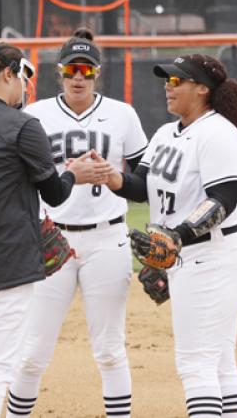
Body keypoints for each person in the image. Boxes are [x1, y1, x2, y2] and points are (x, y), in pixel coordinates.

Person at [0, 42, 110, 418]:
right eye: (24, 75)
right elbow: (56, 195)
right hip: (7, 264)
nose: (27, 85)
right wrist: (73, 173)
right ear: (8, 75)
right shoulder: (23, 126)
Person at [100, 54, 237, 418]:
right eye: (166, 80)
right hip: (195, 256)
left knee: (195, 363)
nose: (167, 87)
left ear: (203, 89)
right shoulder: (164, 134)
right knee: (218, 360)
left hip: (217, 256)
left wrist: (176, 237)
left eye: (176, 81)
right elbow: (142, 187)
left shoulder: (219, 133)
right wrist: (111, 177)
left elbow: (222, 200)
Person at [8, 29, 148, 418]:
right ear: (60, 72)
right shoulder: (34, 115)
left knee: (109, 348)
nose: (79, 77)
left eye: (86, 69)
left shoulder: (123, 115)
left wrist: (115, 179)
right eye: (72, 68)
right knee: (33, 351)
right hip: (52, 239)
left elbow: (144, 186)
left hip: (107, 239)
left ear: (97, 73)